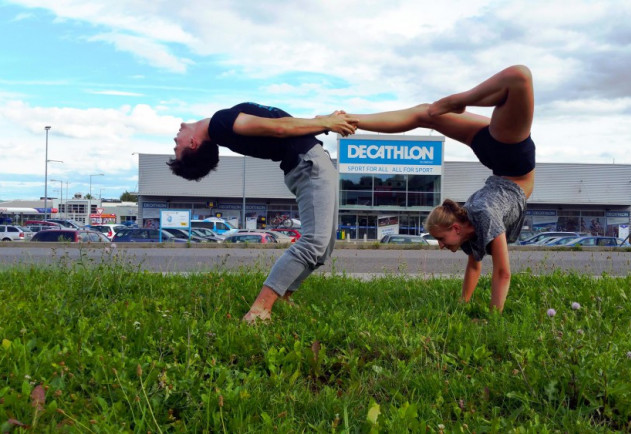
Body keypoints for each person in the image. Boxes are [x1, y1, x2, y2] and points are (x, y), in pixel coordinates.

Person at [353, 65, 535, 313]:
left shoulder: (482, 215)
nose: (439, 245)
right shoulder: (473, 223)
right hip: (498, 158)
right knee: (424, 113)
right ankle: (350, 120)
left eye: (440, 238)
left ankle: (462, 99)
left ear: (456, 227)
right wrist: (463, 303)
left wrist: (493, 319)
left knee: (519, 77)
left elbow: (503, 273)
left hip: (511, 158)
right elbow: (474, 266)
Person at [168, 102, 358, 323]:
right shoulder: (220, 124)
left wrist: (323, 121)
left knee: (323, 249)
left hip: (311, 162)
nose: (174, 141)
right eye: (177, 147)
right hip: (309, 165)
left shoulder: (221, 125)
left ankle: (285, 296)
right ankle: (260, 309)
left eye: (175, 146)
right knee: (314, 242)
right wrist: (326, 123)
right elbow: (279, 128)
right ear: (193, 144)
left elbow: (282, 128)